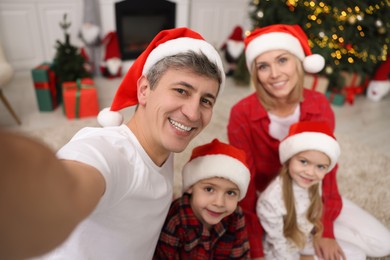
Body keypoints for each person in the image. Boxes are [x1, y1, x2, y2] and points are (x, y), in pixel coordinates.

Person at [0, 27, 226, 260]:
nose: (193, 113)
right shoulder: (110, 151)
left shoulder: (164, 142)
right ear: (144, 90)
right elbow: (71, 186)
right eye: (181, 91)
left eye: (206, 101)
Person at [227, 24, 390, 259]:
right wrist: (255, 248)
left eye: (282, 60)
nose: (274, 74)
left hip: (312, 194)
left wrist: (326, 230)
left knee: (382, 244)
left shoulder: (318, 105)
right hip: (274, 206)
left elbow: (329, 169)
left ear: (298, 62)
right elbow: (246, 183)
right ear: (255, 72)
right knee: (353, 255)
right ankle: (293, 245)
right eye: (263, 66)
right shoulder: (241, 113)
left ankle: (306, 242)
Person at [257, 121, 366, 259]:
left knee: (358, 255)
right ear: (289, 159)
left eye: (320, 167)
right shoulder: (270, 201)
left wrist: (308, 251)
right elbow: (278, 244)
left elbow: (309, 223)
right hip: (282, 254)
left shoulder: (314, 184)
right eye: (303, 161)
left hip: (305, 243)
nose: (310, 172)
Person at [153, 139, 251, 259]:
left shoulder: (236, 216)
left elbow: (241, 255)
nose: (219, 203)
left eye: (230, 193)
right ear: (190, 187)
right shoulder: (176, 220)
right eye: (209, 189)